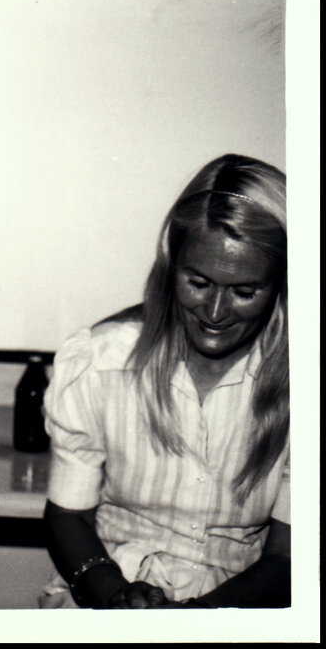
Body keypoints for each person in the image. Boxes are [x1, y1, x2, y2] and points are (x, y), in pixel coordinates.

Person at [40, 153, 290, 609]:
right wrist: (114, 595)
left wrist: (198, 619)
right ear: (170, 265)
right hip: (108, 592)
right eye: (198, 282)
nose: (215, 314)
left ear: (284, 286)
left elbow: (287, 560)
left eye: (244, 292)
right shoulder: (101, 360)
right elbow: (66, 516)